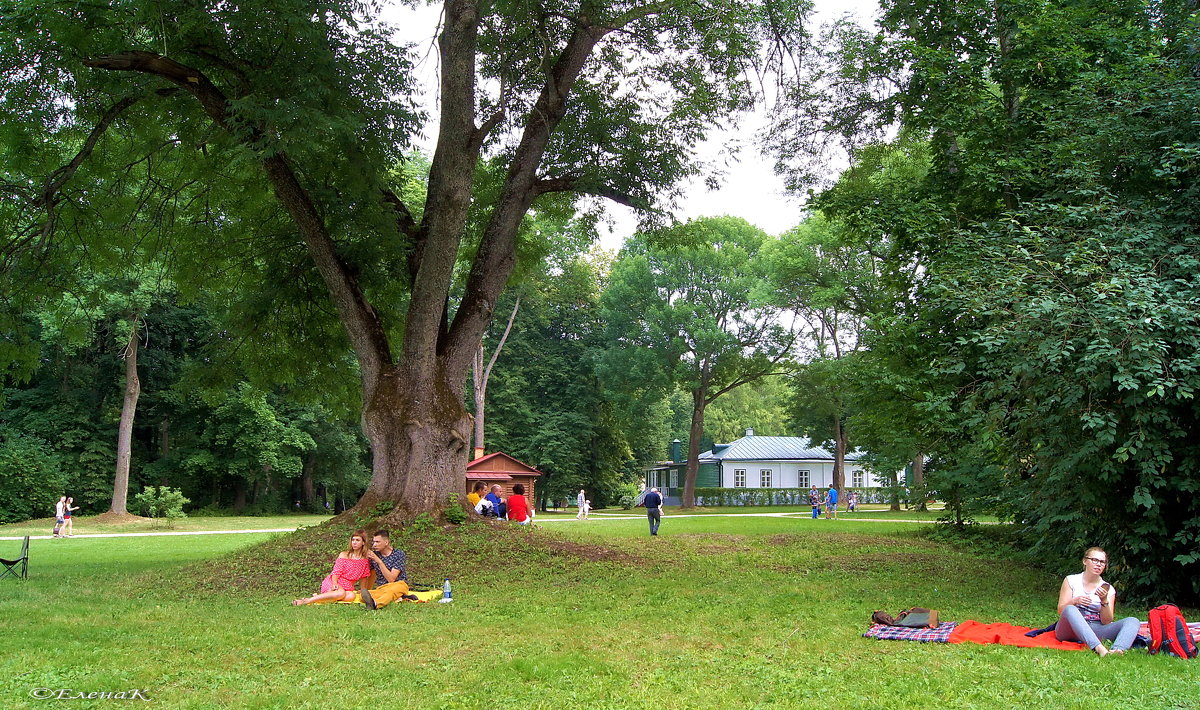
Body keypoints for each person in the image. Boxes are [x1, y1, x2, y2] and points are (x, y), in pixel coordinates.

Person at [1054, 547, 1139, 656]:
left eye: (1102, 562)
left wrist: (1104, 600)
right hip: (1069, 629)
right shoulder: (1071, 580)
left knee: (1132, 621)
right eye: (1094, 560)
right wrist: (1075, 601)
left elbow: (1106, 621)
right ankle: (1098, 648)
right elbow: (1061, 610)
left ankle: (1118, 650)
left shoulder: (1108, 589)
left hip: (1095, 628)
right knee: (1070, 609)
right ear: (1085, 561)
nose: (1098, 564)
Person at [292, 530, 373, 606]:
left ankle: (322, 597)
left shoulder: (365, 560)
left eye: (357, 540)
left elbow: (364, 577)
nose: (354, 543)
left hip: (348, 586)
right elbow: (336, 572)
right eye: (353, 540)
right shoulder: (344, 555)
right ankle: (307, 600)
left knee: (351, 596)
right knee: (341, 593)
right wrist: (334, 583)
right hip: (335, 581)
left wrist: (363, 590)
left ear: (363, 543)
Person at [360, 529, 412, 610]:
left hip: (398, 584)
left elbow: (391, 579)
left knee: (390, 592)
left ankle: (375, 604)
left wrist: (379, 561)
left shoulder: (398, 554)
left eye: (377, 542)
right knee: (363, 595)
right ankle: (398, 598)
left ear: (386, 542)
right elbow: (371, 574)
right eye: (373, 542)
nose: (374, 545)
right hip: (382, 588)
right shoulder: (374, 555)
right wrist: (366, 589)